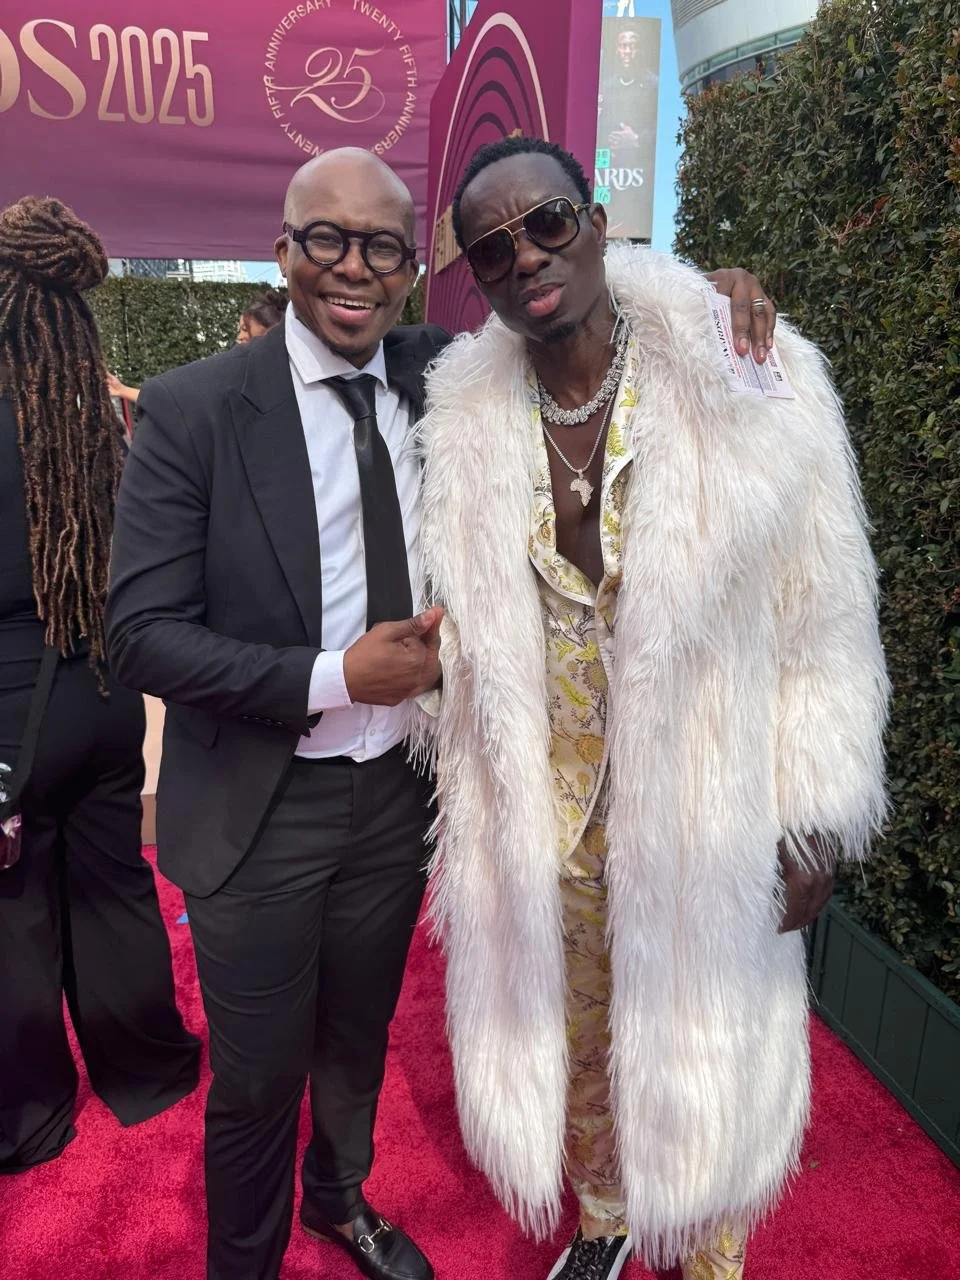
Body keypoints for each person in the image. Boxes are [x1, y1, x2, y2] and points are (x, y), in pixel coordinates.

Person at [105, 144, 777, 1280]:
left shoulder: (441, 377)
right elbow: (138, 634)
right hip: (259, 808)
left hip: (394, 803)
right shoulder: (192, 410)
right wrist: (331, 676)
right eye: (326, 239)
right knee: (260, 1071)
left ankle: (340, 1198)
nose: (352, 267)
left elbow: (579, 303)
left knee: (357, 1042)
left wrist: (717, 295)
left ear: (412, 271)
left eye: (381, 246)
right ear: (283, 255)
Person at [414, 136, 888, 1280]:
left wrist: (817, 805)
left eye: (547, 223)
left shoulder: (741, 373)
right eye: (491, 249)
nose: (525, 256)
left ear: (596, 215)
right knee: (575, 1032)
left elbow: (823, 608)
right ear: (473, 277)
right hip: (549, 810)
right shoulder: (463, 420)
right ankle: (607, 1215)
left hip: (704, 802)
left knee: (704, 1029)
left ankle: (712, 1229)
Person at [0, 196, 201, 1175]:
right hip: (105, 695)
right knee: (117, 889)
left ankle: (33, 1114)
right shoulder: (99, 415)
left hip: (12, 721)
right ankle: (150, 1065)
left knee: (17, 912)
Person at [105, 286, 289, 407]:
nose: (239, 337)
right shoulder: (231, 375)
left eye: (246, 330)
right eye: (239, 329)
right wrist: (122, 390)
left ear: (272, 333)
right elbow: (180, 402)